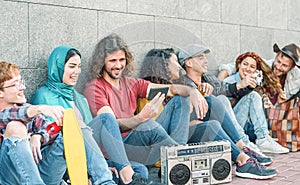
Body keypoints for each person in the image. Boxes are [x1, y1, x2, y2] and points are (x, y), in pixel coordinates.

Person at [83, 33, 208, 184]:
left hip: (136, 145)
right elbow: (110, 125)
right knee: (148, 129)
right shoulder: (94, 88)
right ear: (102, 62)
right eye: (112, 61)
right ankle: (181, 160)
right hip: (116, 149)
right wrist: (140, 118)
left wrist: (192, 91)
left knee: (181, 99)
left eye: (122, 60)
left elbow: (171, 89)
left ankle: (179, 160)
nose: (118, 65)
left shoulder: (131, 84)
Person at [139, 48, 277, 179]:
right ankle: (242, 152)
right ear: (163, 66)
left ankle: (243, 158)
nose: (179, 67)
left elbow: (179, 124)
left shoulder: (177, 86)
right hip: (162, 152)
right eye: (175, 62)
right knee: (194, 100)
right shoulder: (149, 94)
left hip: (178, 144)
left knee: (212, 124)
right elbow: (157, 132)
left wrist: (201, 94)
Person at [31, 46, 118, 185]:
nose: (77, 71)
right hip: (58, 162)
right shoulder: (44, 96)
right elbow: (55, 136)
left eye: (79, 66)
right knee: (78, 129)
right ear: (58, 67)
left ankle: (103, 175)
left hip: (86, 159)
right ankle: (104, 181)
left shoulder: (79, 98)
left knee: (139, 170)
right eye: (72, 66)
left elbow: (90, 139)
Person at [0, 61, 66, 184]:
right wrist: (39, 108)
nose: (23, 87)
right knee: (15, 127)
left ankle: (102, 181)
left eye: (21, 82)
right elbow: (7, 116)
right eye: (15, 85)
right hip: (7, 179)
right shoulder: (27, 111)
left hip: (38, 175)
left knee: (69, 133)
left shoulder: (26, 108)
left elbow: (52, 129)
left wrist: (39, 136)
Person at [222, 51, 289, 154]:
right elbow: (223, 111)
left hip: (246, 127)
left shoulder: (253, 83)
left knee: (254, 95)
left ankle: (263, 139)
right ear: (239, 64)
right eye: (245, 64)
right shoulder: (229, 82)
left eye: (252, 67)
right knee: (252, 96)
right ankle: (251, 142)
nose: (248, 69)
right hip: (230, 129)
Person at [218, 43, 300, 101]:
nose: (278, 67)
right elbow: (232, 67)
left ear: (292, 67)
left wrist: (283, 103)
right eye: (278, 61)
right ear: (276, 56)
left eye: (284, 65)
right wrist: (218, 84)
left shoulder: (296, 76)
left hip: (278, 116)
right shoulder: (263, 65)